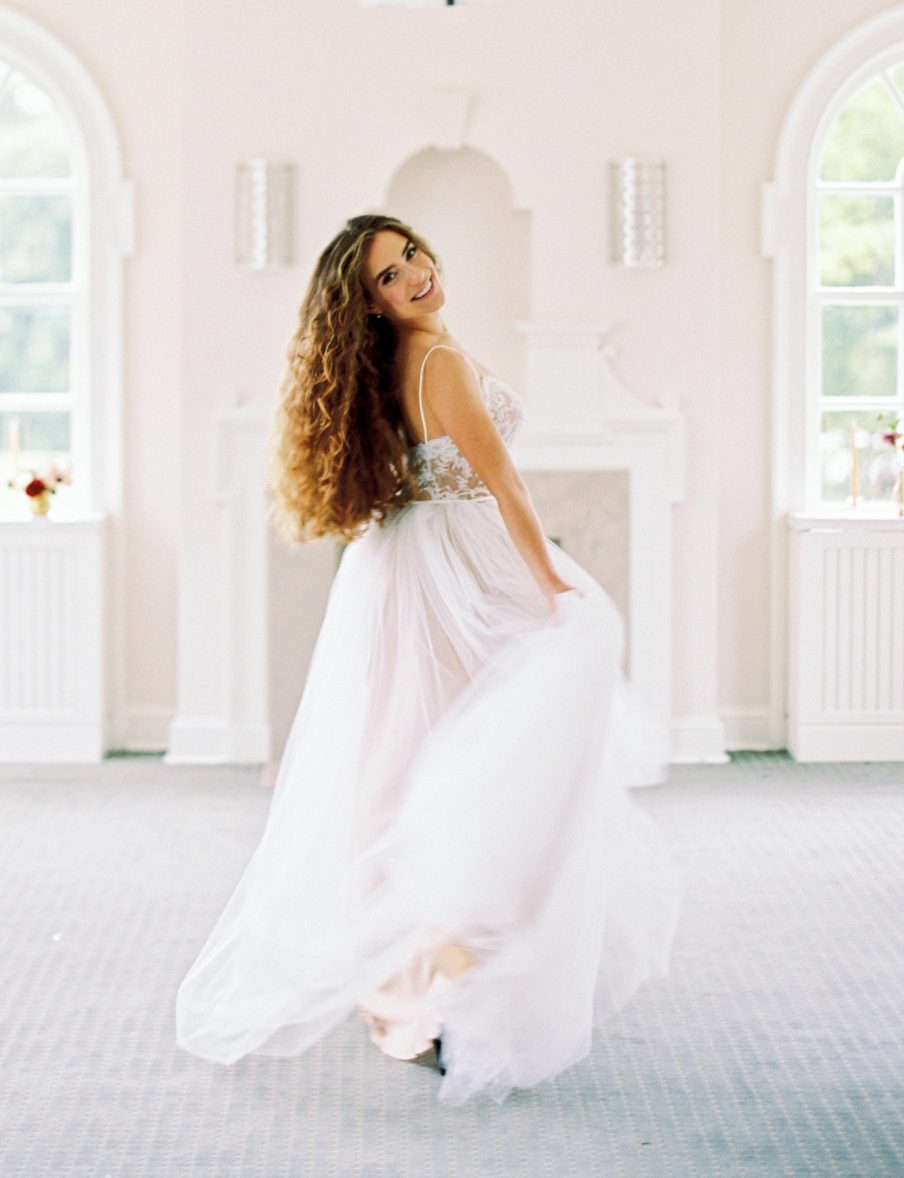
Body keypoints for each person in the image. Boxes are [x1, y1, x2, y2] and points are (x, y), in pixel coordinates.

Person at [175, 213, 681, 1106]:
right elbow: (504, 483)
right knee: (488, 767)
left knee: (418, 770)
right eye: (387, 276)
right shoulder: (438, 362)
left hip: (409, 565)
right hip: (464, 568)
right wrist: (555, 588)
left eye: (410, 254)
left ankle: (412, 988)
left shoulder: (389, 367)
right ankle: (446, 973)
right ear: (368, 305)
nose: (414, 274)